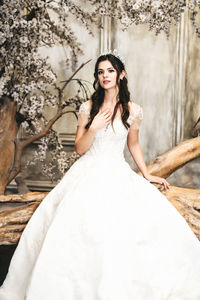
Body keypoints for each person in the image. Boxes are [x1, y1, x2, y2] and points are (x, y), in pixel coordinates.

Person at [0, 52, 200, 300]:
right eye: (100, 72)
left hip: (117, 172)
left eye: (110, 71)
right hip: (87, 173)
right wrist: (93, 127)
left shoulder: (133, 110)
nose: (105, 76)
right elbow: (81, 148)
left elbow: (134, 145)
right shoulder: (88, 107)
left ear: (121, 74)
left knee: (124, 232)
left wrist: (147, 174)